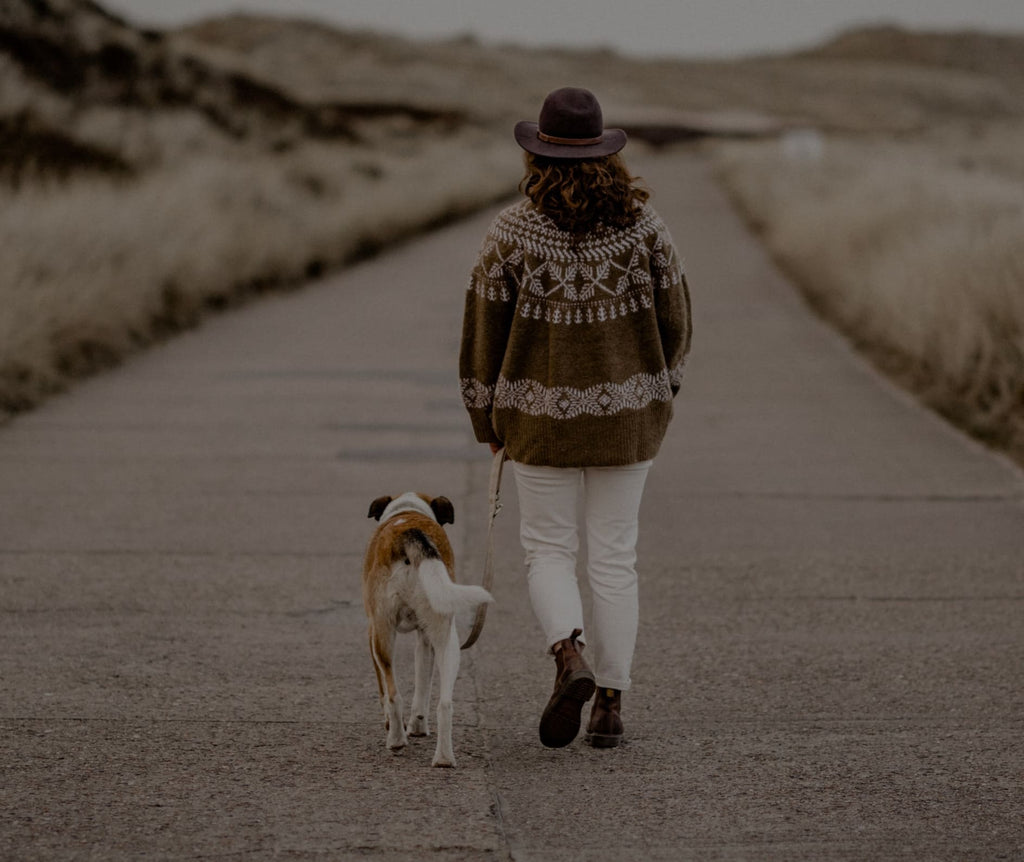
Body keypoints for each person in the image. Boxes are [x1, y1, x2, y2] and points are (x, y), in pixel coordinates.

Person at [459, 87, 692, 749]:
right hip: (630, 420)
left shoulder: (510, 232)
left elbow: (482, 335)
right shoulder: (646, 227)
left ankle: (568, 656)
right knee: (616, 561)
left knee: (549, 553)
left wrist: (487, 419)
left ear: (537, 155)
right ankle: (610, 705)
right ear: (606, 155)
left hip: (538, 422)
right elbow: (678, 322)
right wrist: (658, 392)